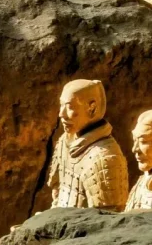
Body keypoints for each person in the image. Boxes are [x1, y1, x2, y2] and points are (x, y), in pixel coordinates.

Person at [47, 79, 129, 211]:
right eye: (61, 105)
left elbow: (108, 221)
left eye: (69, 107)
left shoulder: (105, 157)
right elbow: (57, 194)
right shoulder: (64, 142)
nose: (61, 114)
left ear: (92, 108)